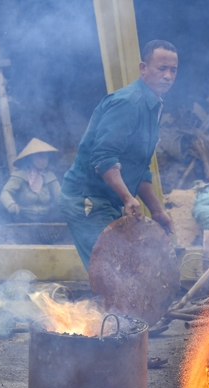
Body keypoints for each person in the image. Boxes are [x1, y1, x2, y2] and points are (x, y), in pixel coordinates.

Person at [59, 40, 176, 270]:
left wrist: (157, 209)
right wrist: (126, 197)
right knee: (114, 275)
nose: (168, 76)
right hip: (87, 201)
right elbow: (104, 157)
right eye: (161, 68)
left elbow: (140, 167)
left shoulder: (154, 106)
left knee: (128, 269)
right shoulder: (128, 103)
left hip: (109, 202)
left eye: (173, 70)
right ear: (143, 68)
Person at [0, 138, 62, 222]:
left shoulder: (50, 176)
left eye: (45, 156)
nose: (43, 159)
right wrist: (11, 204)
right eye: (39, 156)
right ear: (31, 158)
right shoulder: (20, 175)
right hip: (23, 217)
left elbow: (60, 197)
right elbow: (5, 192)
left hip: (46, 218)